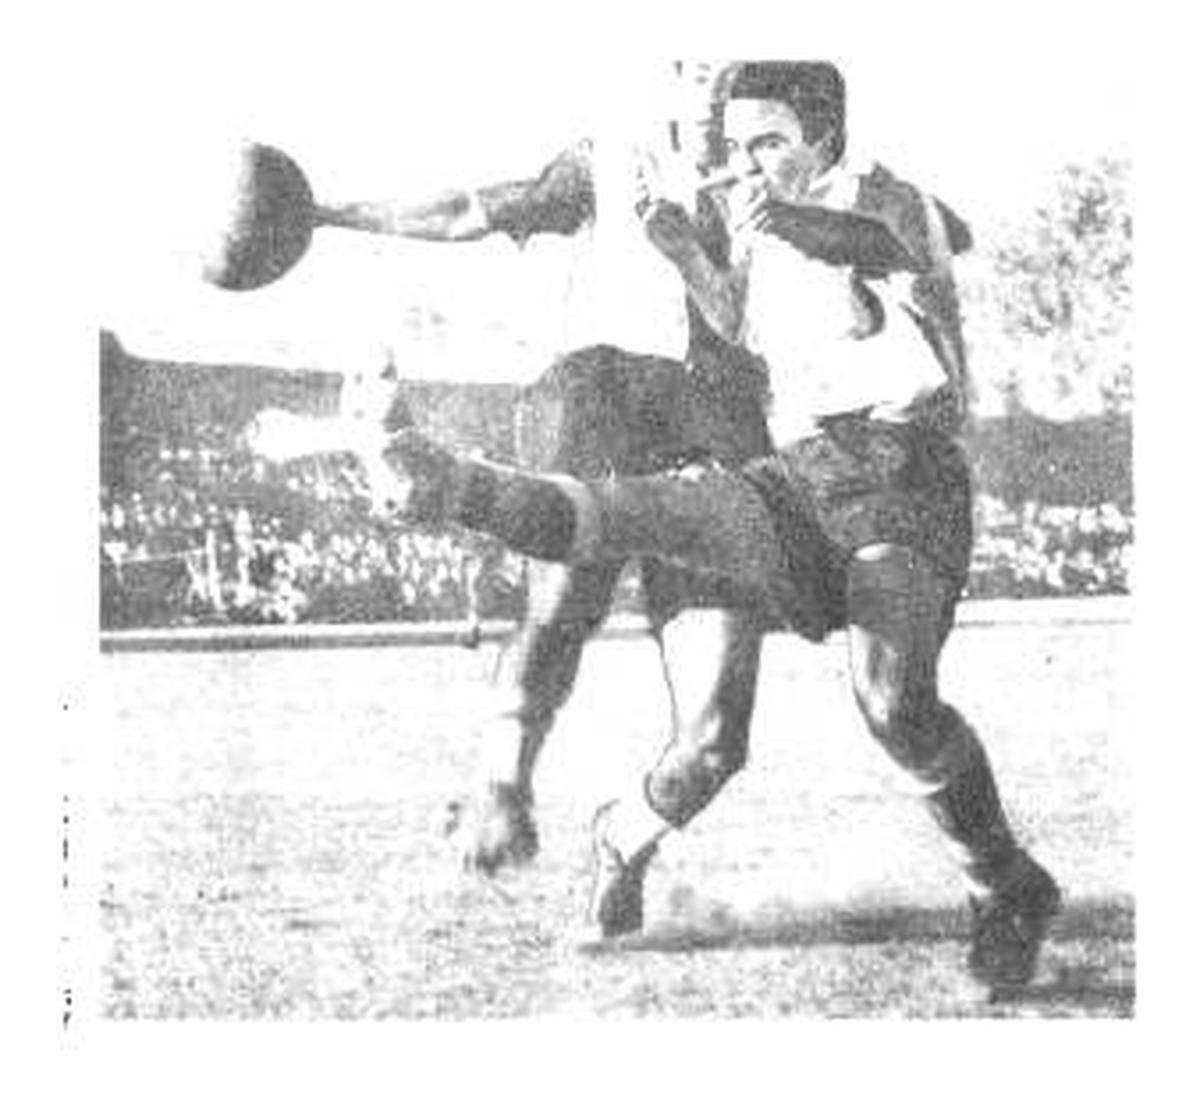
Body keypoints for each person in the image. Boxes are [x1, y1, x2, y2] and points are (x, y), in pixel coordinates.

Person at [303, 60, 1061, 999]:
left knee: (892, 701)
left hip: (900, 476)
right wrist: (687, 253)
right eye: (738, 146)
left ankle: (1006, 882)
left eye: (769, 143)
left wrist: (773, 216)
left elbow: (886, 241)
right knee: (620, 514)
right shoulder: (734, 216)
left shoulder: (890, 199)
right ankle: (430, 474)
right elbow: (739, 319)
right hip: (792, 474)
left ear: (825, 139)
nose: (746, 164)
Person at [312, 64, 778, 876]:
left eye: (724, 69)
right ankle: (501, 779)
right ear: (667, 81)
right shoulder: (610, 160)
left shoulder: (781, 183)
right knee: (562, 597)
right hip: (601, 397)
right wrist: (330, 214)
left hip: (719, 433)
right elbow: (469, 210)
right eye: (692, 67)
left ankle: (623, 837)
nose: (708, 84)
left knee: (714, 741)